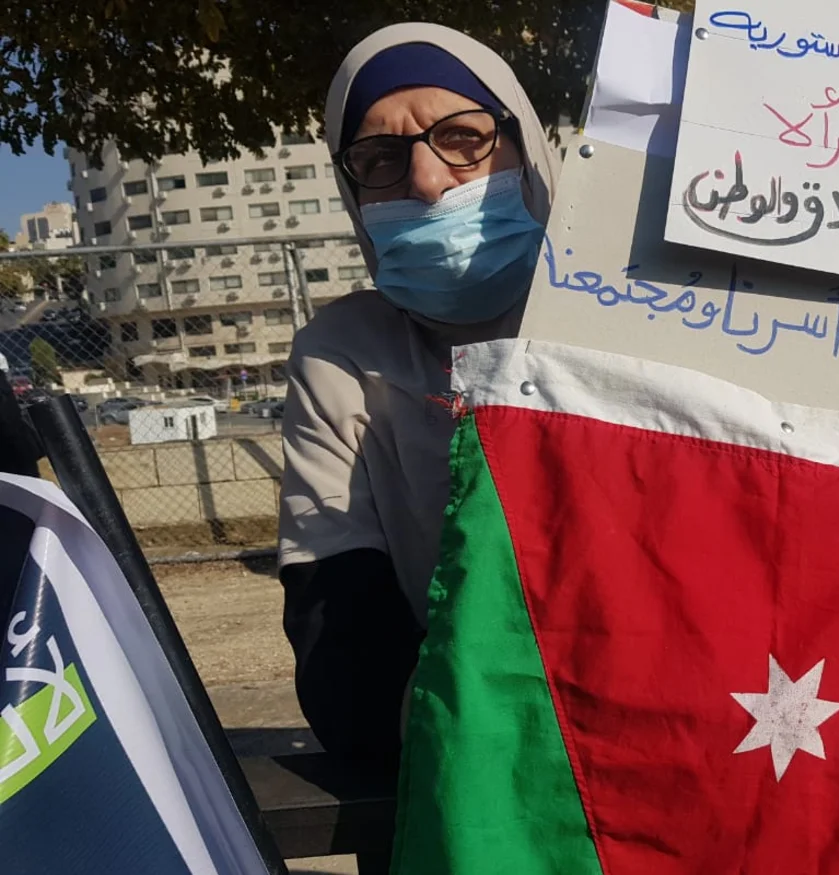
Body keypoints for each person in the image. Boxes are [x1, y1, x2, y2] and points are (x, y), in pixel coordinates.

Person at [275, 23, 557, 873]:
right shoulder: (342, 354)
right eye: (381, 160)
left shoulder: (634, 317)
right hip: (468, 790)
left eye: (464, 140)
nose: (430, 181)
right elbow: (344, 660)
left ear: (527, 150)